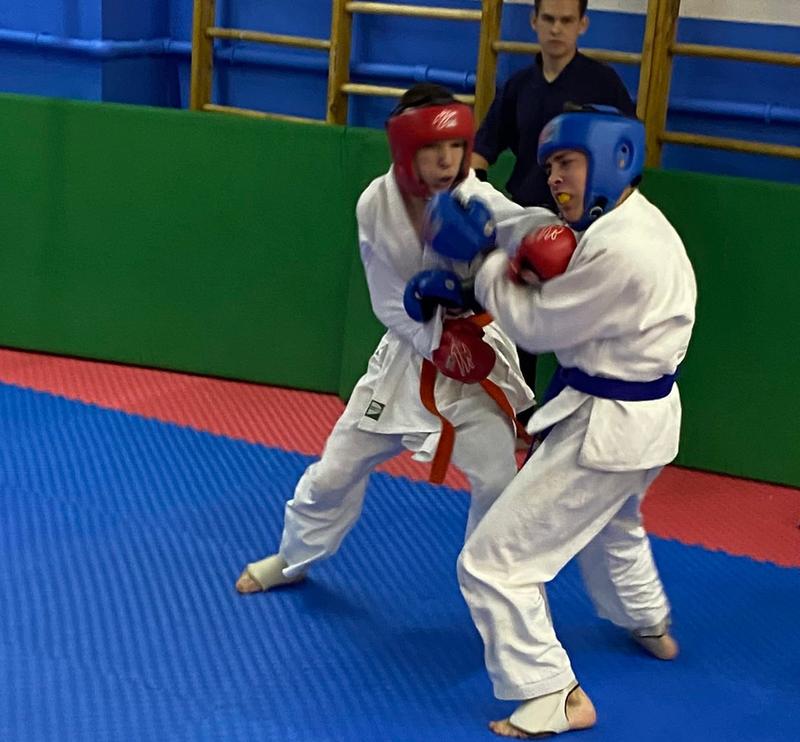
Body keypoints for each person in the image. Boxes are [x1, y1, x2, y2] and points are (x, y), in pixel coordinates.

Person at [408, 107, 696, 736]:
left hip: (608, 428)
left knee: (493, 562)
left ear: (617, 159)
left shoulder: (623, 250)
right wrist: (480, 208)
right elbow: (531, 230)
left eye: (567, 163)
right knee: (613, 524)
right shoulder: (630, 222)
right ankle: (647, 619)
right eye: (550, 166)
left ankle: (551, 694)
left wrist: (483, 265)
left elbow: (538, 325)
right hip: (643, 423)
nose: (555, 178)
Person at [235, 84, 549, 595]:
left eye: (455, 146)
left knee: (497, 481)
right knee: (335, 471)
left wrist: (556, 239)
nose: (447, 160)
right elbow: (385, 298)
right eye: (433, 148)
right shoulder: (376, 205)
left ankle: (496, 589)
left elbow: (529, 228)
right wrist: (435, 340)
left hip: (474, 365)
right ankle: (293, 557)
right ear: (406, 150)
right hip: (407, 359)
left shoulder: (477, 199)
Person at [471, 0, 637, 404]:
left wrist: (607, 223)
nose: (556, 29)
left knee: (585, 327)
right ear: (534, 21)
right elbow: (482, 149)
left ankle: (582, 410)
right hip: (528, 218)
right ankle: (516, 410)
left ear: (583, 24)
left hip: (583, 226)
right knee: (515, 327)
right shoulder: (520, 86)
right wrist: (472, 199)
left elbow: (627, 157)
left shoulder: (602, 84)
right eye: (548, 19)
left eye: (566, 20)